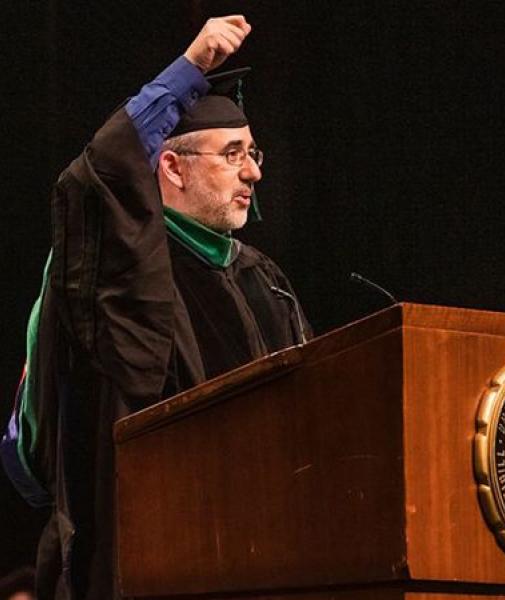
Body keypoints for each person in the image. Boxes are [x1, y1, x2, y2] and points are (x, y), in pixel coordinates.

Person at [1, 15, 310, 600]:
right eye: (233, 154)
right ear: (171, 167)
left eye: (254, 152)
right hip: (149, 560)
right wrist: (189, 71)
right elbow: (98, 177)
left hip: (271, 559)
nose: (254, 171)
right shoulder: (120, 271)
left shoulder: (264, 278)